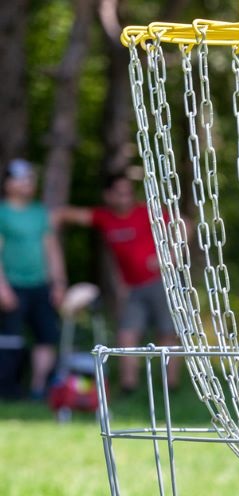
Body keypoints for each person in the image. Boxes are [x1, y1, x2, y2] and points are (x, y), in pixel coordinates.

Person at [56, 173, 179, 392]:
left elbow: (183, 225)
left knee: (167, 333)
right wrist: (48, 217)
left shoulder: (147, 211)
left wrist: (170, 256)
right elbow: (70, 215)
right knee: (126, 333)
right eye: (120, 193)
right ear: (109, 195)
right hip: (132, 287)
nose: (125, 198)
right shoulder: (105, 217)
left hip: (162, 282)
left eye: (129, 193)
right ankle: (127, 387)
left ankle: (171, 387)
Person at [0, 159, 66, 400]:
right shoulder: (2, 213)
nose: (28, 182)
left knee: (47, 336)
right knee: (10, 340)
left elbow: (52, 249)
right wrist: (2, 287)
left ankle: (38, 389)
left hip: (41, 286)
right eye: (21, 178)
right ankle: (8, 390)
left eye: (30, 177)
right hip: (12, 285)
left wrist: (58, 283)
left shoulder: (40, 213)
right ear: (8, 183)